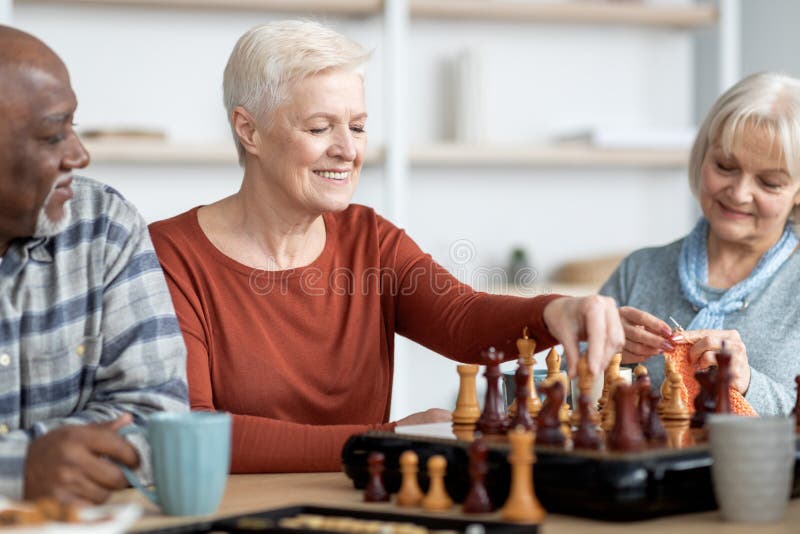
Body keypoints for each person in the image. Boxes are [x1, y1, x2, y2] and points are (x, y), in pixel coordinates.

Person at [149, 20, 624, 473]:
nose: (348, 149)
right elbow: (189, 430)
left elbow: (462, 318)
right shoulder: (169, 256)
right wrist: (383, 439)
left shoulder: (370, 239)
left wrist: (553, 313)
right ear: (248, 130)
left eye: (356, 126)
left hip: (358, 504)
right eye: (319, 128)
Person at [0, 26, 189, 503]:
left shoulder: (104, 225)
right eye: (52, 135)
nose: (79, 155)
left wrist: (54, 459)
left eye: (74, 128)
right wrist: (20, 468)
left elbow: (158, 415)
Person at [600, 72, 800, 416]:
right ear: (702, 157)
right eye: (724, 166)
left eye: (769, 183)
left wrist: (749, 384)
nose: (738, 194)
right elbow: (565, 393)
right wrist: (605, 358)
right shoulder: (639, 271)